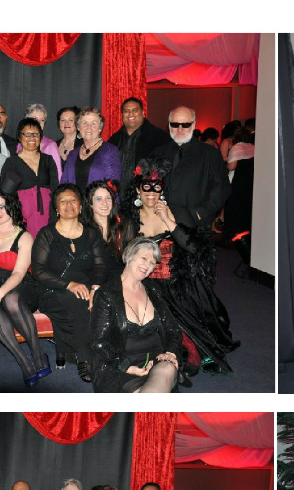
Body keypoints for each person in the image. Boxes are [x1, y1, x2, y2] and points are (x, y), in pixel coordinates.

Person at [119, 159, 237, 377]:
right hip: (148, 282)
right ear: (138, 190)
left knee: (185, 316)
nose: (151, 193)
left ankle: (195, 351)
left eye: (157, 188)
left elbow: (192, 247)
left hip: (176, 280)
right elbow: (125, 254)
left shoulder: (174, 211)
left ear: (162, 190)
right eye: (146, 187)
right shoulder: (130, 218)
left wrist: (167, 219)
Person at [30, 184, 113, 380]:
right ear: (57, 208)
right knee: (76, 302)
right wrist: (68, 285)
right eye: (63, 201)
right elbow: (38, 271)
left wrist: (95, 289)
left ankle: (83, 351)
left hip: (86, 287)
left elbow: (100, 266)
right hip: (52, 289)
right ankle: (86, 359)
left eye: (73, 200)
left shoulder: (91, 234)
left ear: (81, 206)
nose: (69, 205)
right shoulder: (47, 234)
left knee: (102, 300)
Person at [89, 236, 181, 393]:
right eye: (144, 258)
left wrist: (170, 352)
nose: (147, 265)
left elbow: (173, 330)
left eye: (152, 263)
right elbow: (98, 342)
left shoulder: (154, 291)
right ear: (129, 256)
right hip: (118, 365)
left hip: (157, 361)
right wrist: (127, 367)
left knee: (167, 369)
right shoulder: (106, 295)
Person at [0, 189, 50, 386]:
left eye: (2, 206)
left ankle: (38, 355)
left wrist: (1, 292)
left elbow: (19, 274)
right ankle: (24, 362)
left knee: (10, 299)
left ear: (11, 208)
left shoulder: (24, 237)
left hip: (22, 288)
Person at [159, 106, 231, 230]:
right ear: (169, 125)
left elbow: (222, 189)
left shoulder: (210, 154)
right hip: (162, 222)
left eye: (185, 125)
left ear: (193, 125)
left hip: (195, 225)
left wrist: (201, 213)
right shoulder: (159, 152)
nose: (180, 129)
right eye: (175, 124)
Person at [0, 117, 58, 239]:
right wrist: (16, 218)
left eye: (36, 134)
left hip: (48, 216)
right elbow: (6, 195)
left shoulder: (48, 160)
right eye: (27, 134)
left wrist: (54, 216)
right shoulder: (12, 162)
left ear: (40, 137)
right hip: (22, 218)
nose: (32, 138)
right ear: (19, 137)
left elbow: (55, 190)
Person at [107, 97, 168, 193]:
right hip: (116, 196)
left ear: (143, 113)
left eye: (135, 110)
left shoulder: (159, 138)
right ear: (122, 115)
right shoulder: (113, 140)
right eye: (126, 111)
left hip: (145, 196)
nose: (131, 114)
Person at [60, 107, 120, 190]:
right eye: (84, 123)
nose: (89, 127)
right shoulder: (72, 154)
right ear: (78, 127)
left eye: (93, 123)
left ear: (100, 128)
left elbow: (113, 184)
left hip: (99, 198)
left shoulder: (110, 151)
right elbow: (64, 184)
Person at [21, 104, 62, 180]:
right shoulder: (20, 145)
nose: (38, 123)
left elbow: (58, 176)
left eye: (42, 120)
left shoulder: (51, 146)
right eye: (35, 119)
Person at [82, 179, 122, 255]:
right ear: (90, 203)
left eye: (108, 198)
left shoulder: (123, 226)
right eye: (98, 199)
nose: (105, 203)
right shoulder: (84, 230)